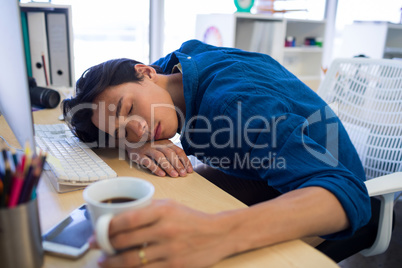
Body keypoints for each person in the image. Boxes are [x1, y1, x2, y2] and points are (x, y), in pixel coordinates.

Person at [62, 40, 371, 267]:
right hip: (266, 168)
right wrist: (137, 143)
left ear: (145, 72)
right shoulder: (176, 64)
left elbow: (350, 193)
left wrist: (217, 233)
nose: (138, 128)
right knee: (171, 196)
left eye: (129, 109)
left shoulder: (237, 107)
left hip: (325, 194)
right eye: (122, 132)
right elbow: (129, 120)